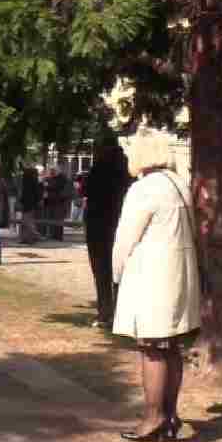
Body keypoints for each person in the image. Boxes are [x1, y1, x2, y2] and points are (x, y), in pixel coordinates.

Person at [112, 130, 201, 442]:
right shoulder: (179, 185)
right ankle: (170, 414)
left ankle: (153, 416)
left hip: (151, 276)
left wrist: (116, 273)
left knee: (151, 348)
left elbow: (126, 238)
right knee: (171, 347)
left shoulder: (144, 189)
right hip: (178, 275)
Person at [84, 139, 133, 329]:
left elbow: (89, 191)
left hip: (100, 225)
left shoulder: (99, 169)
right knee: (120, 272)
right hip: (119, 223)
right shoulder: (127, 169)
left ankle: (105, 312)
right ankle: (118, 312)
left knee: (102, 271)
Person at [17, 165, 42, 244]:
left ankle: (32, 236)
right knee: (26, 221)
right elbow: (37, 193)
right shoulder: (33, 180)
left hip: (27, 203)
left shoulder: (26, 180)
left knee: (26, 221)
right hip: (30, 203)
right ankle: (27, 238)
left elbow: (24, 193)